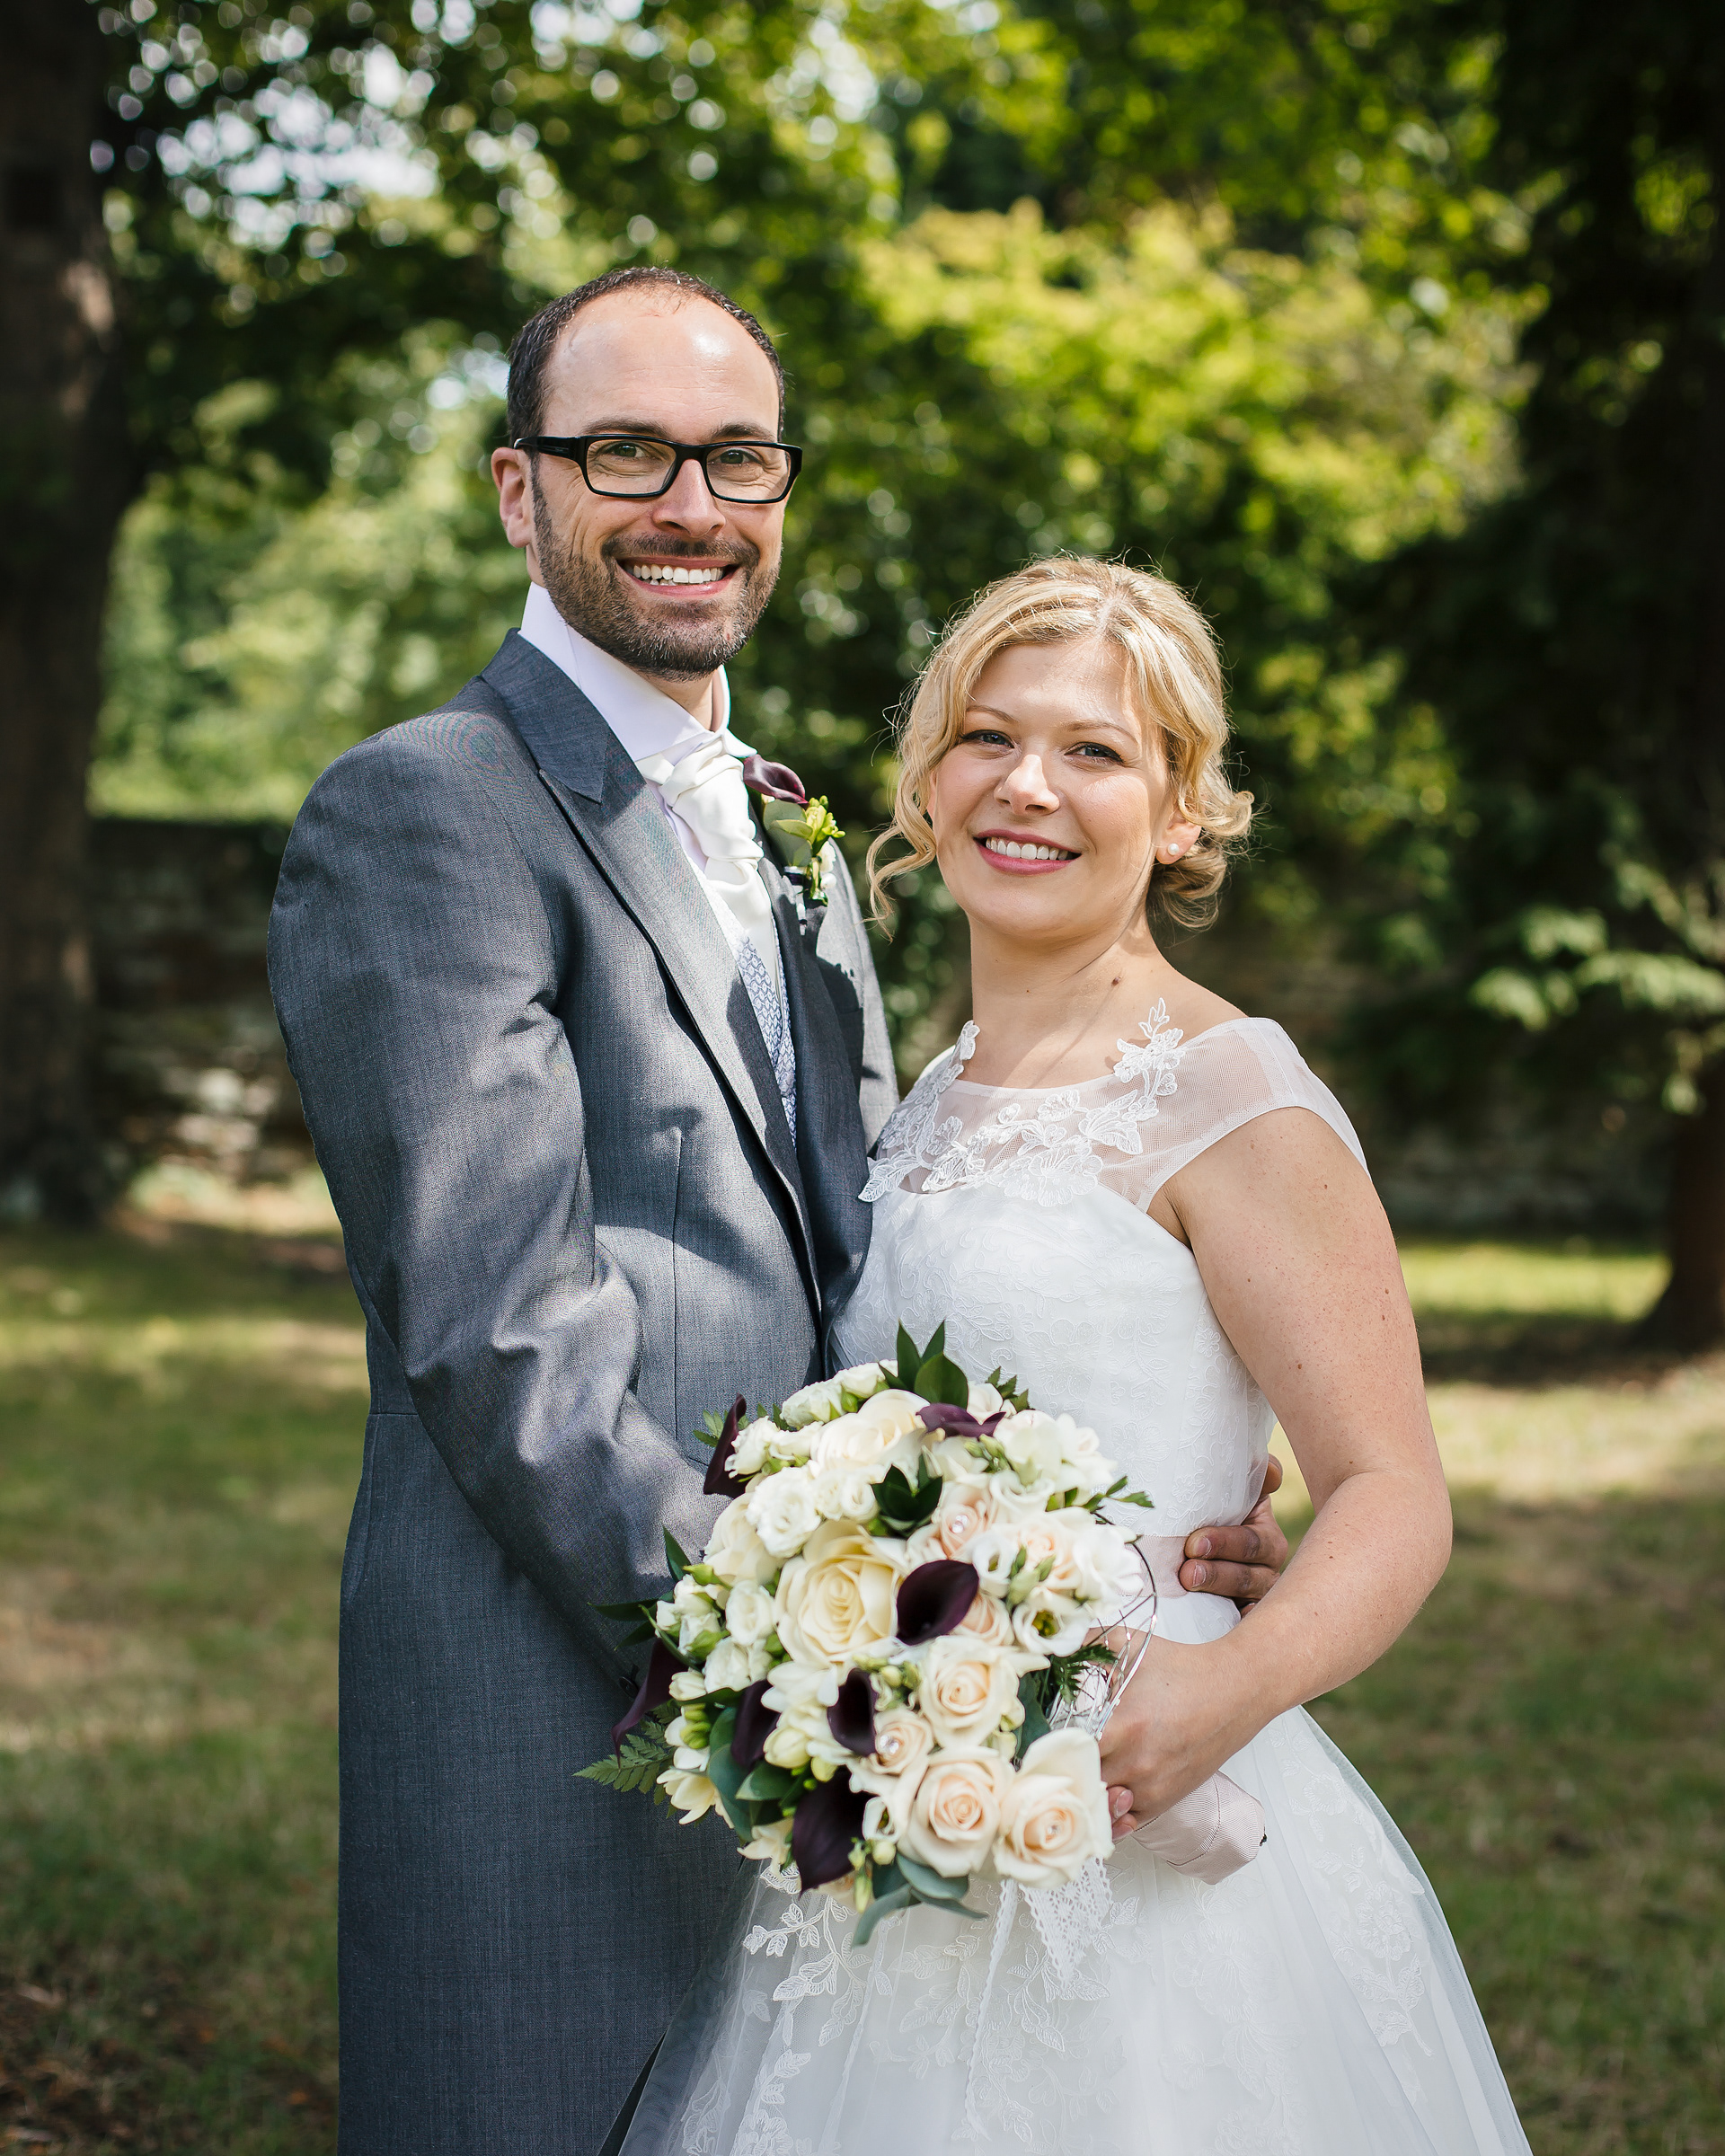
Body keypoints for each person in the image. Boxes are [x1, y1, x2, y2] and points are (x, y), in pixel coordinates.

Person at [267, 273, 1279, 2156]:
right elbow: (503, 1335)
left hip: (842, 1746)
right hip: (561, 1713)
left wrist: (1092, 1529)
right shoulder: (430, 812)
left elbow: (867, 1269)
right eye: (623, 452)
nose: (691, 505)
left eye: (737, 458)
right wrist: (873, 1661)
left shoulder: (793, 823)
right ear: (518, 490)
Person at [618, 556, 1532, 2156]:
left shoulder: (1232, 1094)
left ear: (1183, 810)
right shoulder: (925, 1091)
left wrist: (1223, 1685)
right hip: (913, 1806)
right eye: (984, 736)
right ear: (926, 776)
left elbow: (1395, 1491)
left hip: (1149, 1797)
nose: (1027, 785)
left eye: (1096, 751)